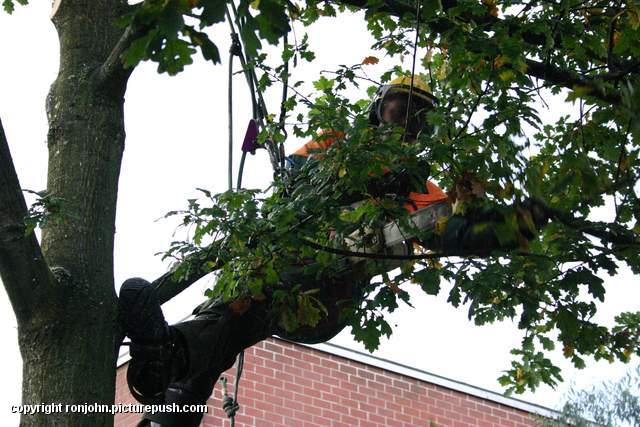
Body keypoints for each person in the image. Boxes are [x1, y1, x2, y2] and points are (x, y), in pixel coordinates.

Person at [119, 74, 547, 426]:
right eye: (401, 111)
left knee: (248, 303)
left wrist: (508, 228)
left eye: (418, 120)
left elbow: (452, 234)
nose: (406, 125)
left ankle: (172, 360)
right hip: (276, 267)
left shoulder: (415, 186)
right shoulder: (334, 143)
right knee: (227, 315)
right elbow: (289, 181)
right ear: (380, 110)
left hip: (324, 293)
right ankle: (167, 384)